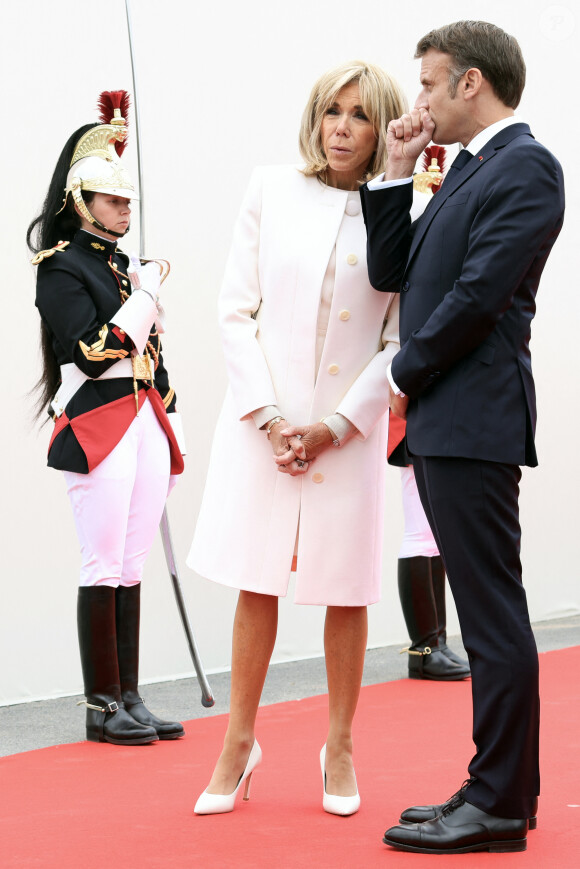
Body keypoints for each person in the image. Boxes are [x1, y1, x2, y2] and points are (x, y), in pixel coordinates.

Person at [360, 21, 564, 854]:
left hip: (473, 415)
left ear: (471, 83)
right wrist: (398, 173)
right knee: (486, 611)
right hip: (453, 418)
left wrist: (399, 373)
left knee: (489, 616)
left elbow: (478, 298)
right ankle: (498, 786)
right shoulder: (470, 170)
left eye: (429, 86)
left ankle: (501, 802)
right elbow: (392, 272)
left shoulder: (527, 168)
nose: (420, 104)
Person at [187, 61, 407, 816]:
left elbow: (399, 336)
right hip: (265, 428)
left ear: (382, 129)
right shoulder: (271, 188)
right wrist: (275, 419)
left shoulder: (399, 212)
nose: (341, 127)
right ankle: (237, 742)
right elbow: (233, 310)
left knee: (346, 588)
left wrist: (337, 423)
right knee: (258, 578)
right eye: (331, 112)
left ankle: (338, 743)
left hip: (344, 433)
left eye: (359, 115)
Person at [28, 91, 186, 746]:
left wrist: (165, 391)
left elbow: (150, 356)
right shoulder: (59, 267)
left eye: (127, 201)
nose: (125, 209)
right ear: (81, 201)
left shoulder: (123, 268)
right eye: (113, 199)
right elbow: (91, 353)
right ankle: (101, 704)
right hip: (98, 419)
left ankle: (128, 695)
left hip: (143, 416)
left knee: (131, 561)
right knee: (101, 562)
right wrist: (146, 295)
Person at [388, 413, 470, 680]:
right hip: (413, 423)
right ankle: (423, 650)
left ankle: (436, 644)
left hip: (427, 423)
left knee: (433, 537)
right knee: (420, 532)